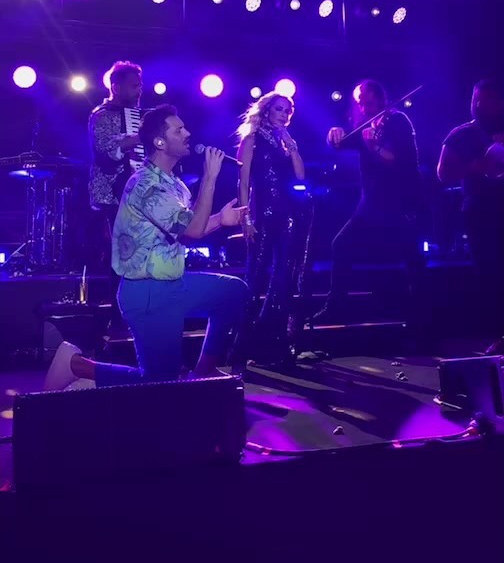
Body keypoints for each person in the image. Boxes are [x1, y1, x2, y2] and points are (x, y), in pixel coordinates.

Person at [45, 104, 248, 391]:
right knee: (159, 383)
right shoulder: (146, 186)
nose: (187, 133)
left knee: (233, 291)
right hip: (147, 293)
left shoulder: (172, 183)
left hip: (172, 285)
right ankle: (77, 364)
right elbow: (192, 229)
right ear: (160, 142)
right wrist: (210, 179)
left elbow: (184, 231)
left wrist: (220, 220)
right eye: (179, 130)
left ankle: (203, 372)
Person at [315, 79, 421, 322]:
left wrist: (374, 147)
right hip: (372, 204)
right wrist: (333, 135)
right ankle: (336, 306)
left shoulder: (398, 121)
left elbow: (398, 160)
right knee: (341, 244)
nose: (363, 106)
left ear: (379, 97)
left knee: (411, 257)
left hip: (400, 201)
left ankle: (421, 311)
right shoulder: (365, 126)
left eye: (367, 100)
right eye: (360, 102)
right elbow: (340, 144)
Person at [233, 91, 309, 366]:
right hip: (262, 213)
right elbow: (243, 183)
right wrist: (245, 219)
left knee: (284, 275)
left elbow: (300, 175)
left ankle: (272, 341)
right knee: (256, 274)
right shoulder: (251, 139)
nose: (284, 114)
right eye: (279, 109)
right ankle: (241, 347)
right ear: (266, 110)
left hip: (288, 213)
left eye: (288, 110)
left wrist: (292, 146)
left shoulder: (284, 143)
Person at [437, 79, 504, 348]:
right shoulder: (461, 134)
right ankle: (498, 336)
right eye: (475, 99)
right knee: (491, 275)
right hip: (480, 214)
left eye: (484, 99)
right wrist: (475, 168)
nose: (477, 104)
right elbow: (442, 173)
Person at [88, 60, 144, 336]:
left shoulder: (138, 116)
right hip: (111, 194)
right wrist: (138, 138)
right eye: (133, 85)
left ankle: (136, 313)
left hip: (136, 196)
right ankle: (118, 319)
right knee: (119, 258)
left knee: (136, 255)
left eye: (140, 85)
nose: (139, 90)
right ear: (115, 87)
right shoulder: (101, 115)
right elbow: (106, 149)